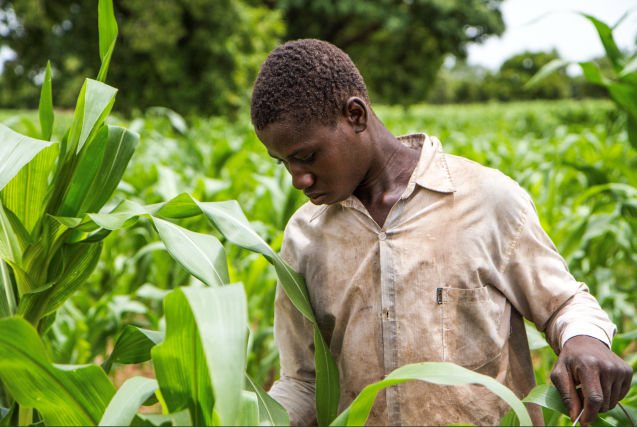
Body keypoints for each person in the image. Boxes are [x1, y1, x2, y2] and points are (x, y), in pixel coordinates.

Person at [250, 39, 632, 426]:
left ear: (356, 115)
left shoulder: (486, 198)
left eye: (306, 156)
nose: (299, 179)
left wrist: (584, 338)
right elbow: (303, 381)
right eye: (283, 163)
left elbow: (564, 304)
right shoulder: (305, 237)